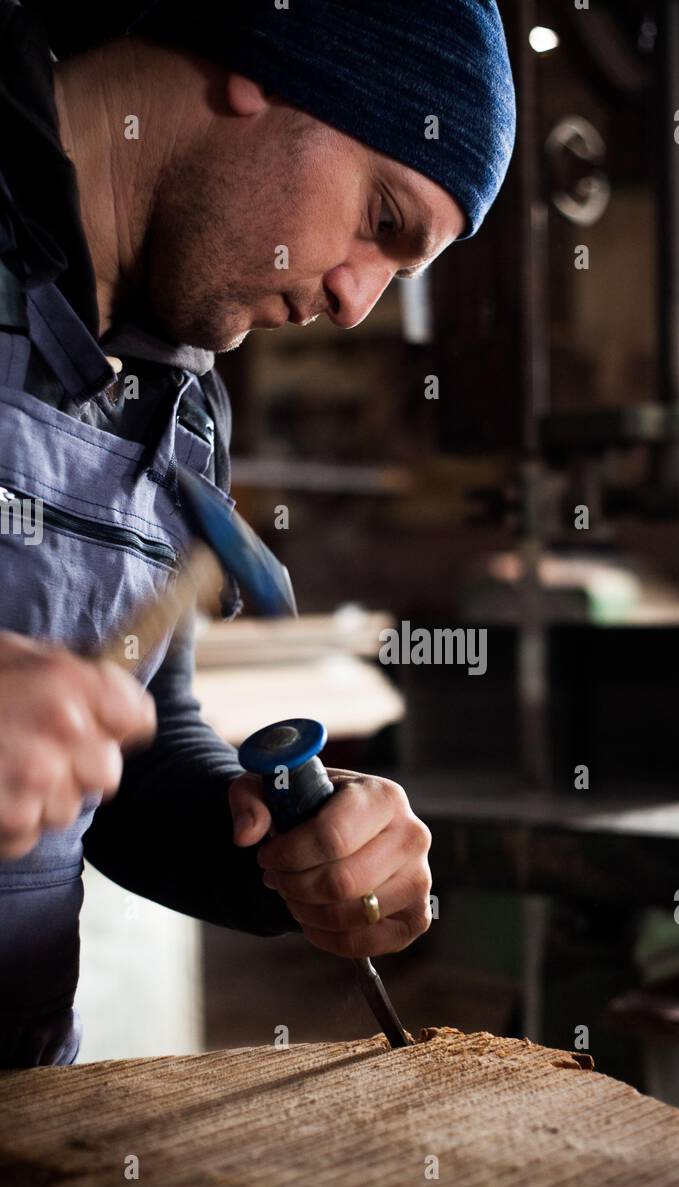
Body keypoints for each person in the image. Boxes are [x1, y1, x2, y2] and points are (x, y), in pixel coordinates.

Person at [0, 1, 516, 1066]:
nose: (352, 303)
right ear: (264, 64)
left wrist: (284, 847)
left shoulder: (180, 405)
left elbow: (134, 761)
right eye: (381, 218)